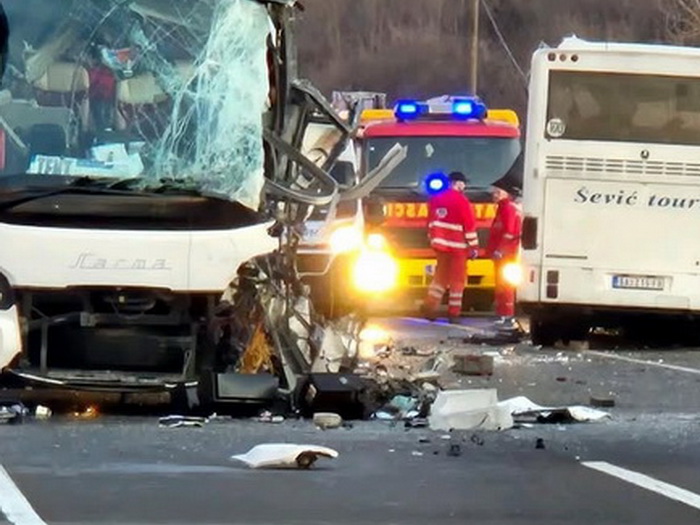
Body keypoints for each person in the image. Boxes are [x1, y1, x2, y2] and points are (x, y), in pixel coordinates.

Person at [422, 171, 479, 323]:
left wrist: (433, 239)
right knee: (457, 281)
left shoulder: (435, 199)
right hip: (457, 247)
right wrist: (474, 247)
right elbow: (469, 225)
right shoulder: (462, 201)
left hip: (440, 246)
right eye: (463, 183)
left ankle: (429, 306)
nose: (464, 186)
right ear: (458, 183)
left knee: (440, 278)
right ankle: (454, 313)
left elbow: (430, 222)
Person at [487, 179, 523, 328]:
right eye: (494, 192)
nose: (494, 195)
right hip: (503, 254)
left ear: (506, 194)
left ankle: (506, 315)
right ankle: (502, 313)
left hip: (506, 254)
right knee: (501, 285)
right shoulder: (502, 208)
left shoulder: (507, 208)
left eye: (497, 192)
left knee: (505, 285)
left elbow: (509, 232)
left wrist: (500, 250)